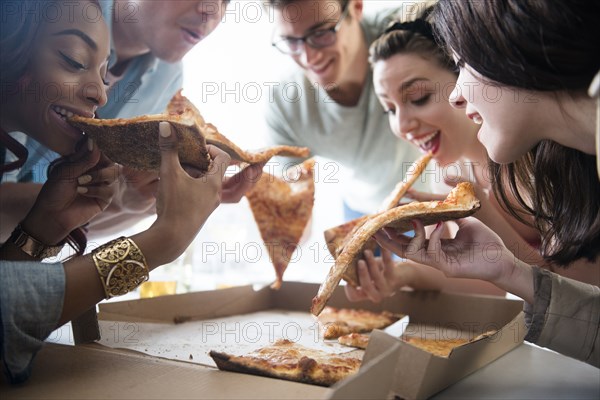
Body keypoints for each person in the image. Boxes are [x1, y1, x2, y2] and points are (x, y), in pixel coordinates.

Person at [0, 0, 232, 382]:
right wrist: (163, 239)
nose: (100, 96)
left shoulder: (169, 74)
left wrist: (39, 230)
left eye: (105, 72)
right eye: (74, 59)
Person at [375, 0, 599, 367]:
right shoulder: (462, 176)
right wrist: (504, 267)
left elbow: (581, 286)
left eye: (463, 65)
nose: (457, 95)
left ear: (512, 47)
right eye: (388, 108)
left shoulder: (558, 165)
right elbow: (584, 314)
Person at [1, 0, 263, 241]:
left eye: (226, 1)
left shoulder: (167, 78)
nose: (213, 11)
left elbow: (72, 224)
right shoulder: (53, 12)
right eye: (76, 60)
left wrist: (158, 200)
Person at [264, 0, 426, 219]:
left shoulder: (410, 28)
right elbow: (294, 216)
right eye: (291, 42)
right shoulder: (285, 105)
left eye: (321, 33)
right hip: (360, 209)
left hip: (427, 199)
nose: (308, 57)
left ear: (356, 7)